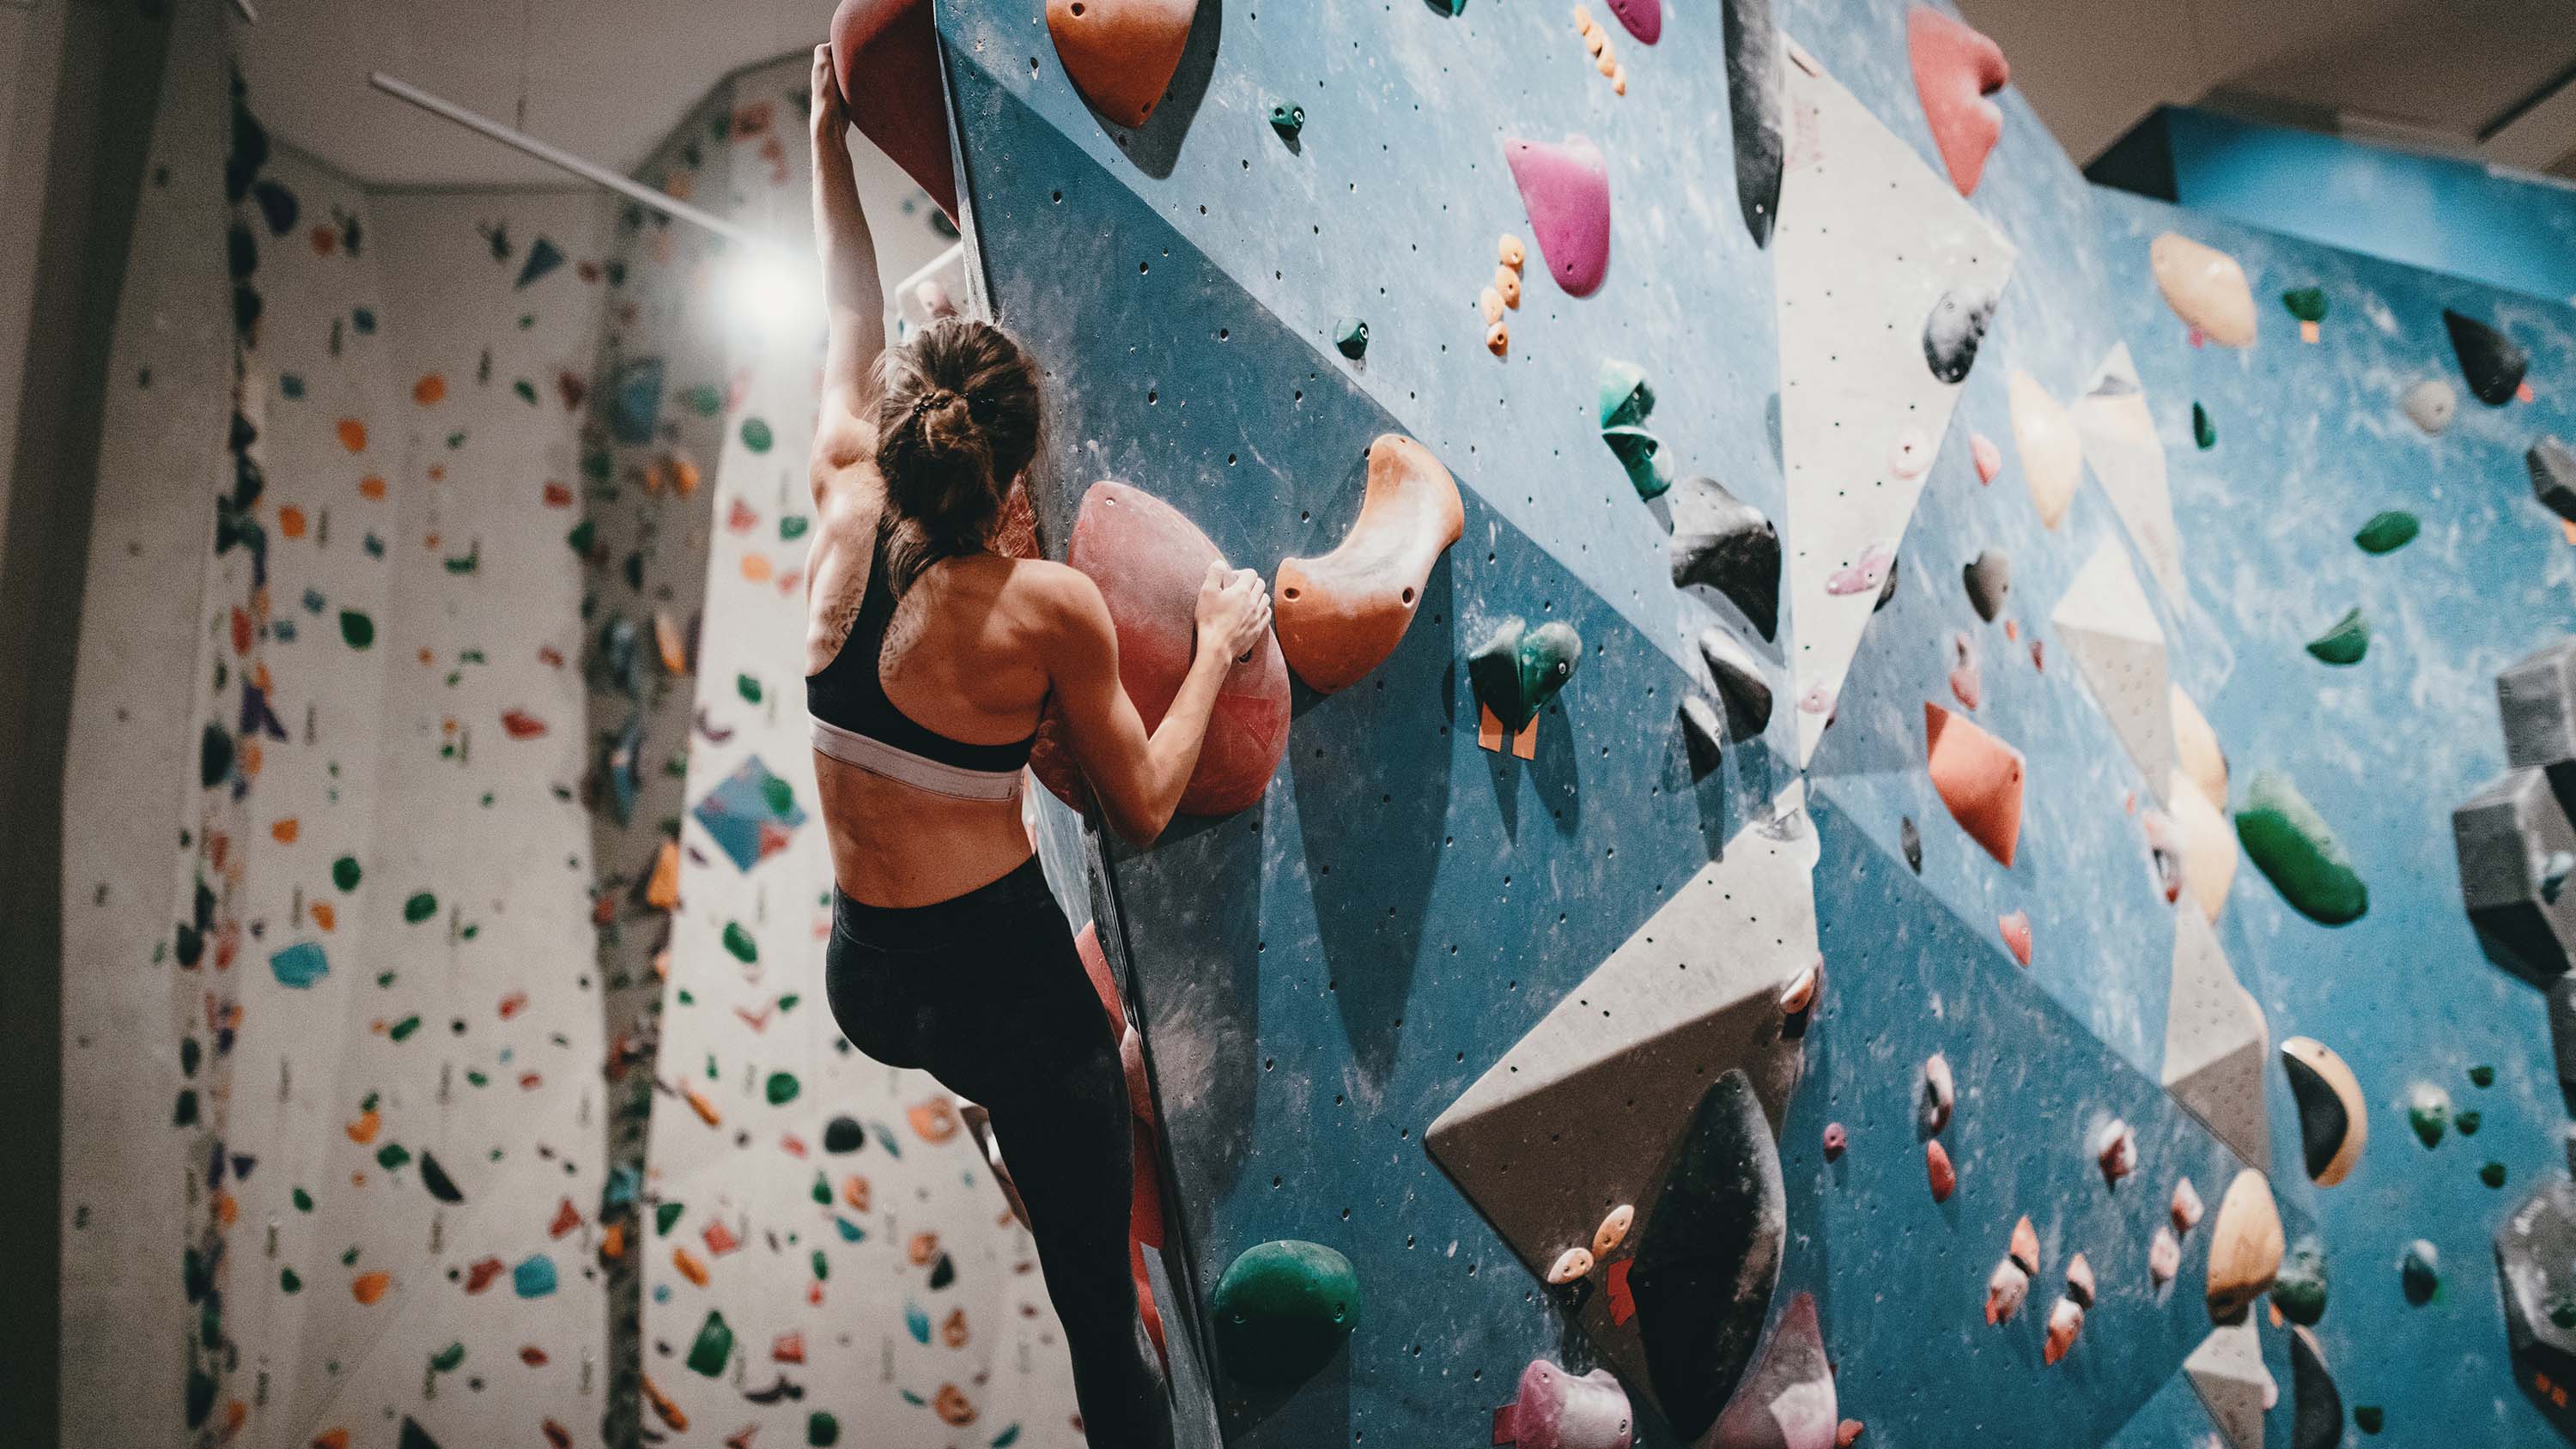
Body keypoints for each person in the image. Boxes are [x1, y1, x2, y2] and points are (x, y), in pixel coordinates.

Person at [802, 45, 1270, 1447]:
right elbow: (1137, 805)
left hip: (869, 983)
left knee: (1045, 1142)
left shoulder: (838, 493)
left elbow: (846, 306)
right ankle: (1038, 1128)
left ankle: (1025, 1126)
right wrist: (1221, 637)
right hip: (1003, 994)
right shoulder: (1042, 609)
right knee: (1101, 1328)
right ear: (1012, 479)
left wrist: (829, 144)